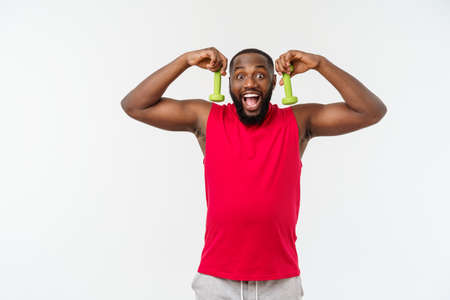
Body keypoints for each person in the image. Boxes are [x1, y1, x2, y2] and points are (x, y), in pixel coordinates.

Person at [120, 47, 387, 300]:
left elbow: (370, 111)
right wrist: (184, 60)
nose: (250, 83)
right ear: (229, 85)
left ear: (274, 81)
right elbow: (135, 105)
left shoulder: (297, 121)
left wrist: (320, 64)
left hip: (279, 283)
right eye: (240, 76)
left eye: (260, 75)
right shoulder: (207, 119)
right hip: (217, 281)